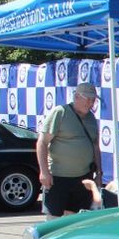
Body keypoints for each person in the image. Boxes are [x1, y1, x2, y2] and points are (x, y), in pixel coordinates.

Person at [37, 82, 102, 219]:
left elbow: (95, 146)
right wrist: (44, 172)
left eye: (93, 100)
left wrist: (99, 172)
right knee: (54, 219)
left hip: (83, 177)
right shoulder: (60, 112)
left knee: (78, 218)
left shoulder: (91, 118)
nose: (90, 103)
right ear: (77, 97)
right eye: (88, 99)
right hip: (59, 178)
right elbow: (42, 142)